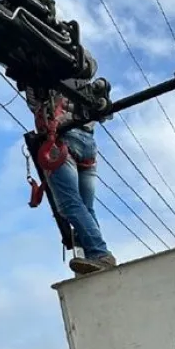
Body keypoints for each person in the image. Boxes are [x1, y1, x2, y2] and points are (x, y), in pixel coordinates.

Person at [26, 63, 117, 275]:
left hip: (62, 139)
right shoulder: (83, 81)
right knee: (85, 207)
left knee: (69, 205)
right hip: (88, 145)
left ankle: (100, 254)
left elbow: (34, 102)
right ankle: (94, 253)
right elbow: (103, 113)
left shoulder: (44, 77)